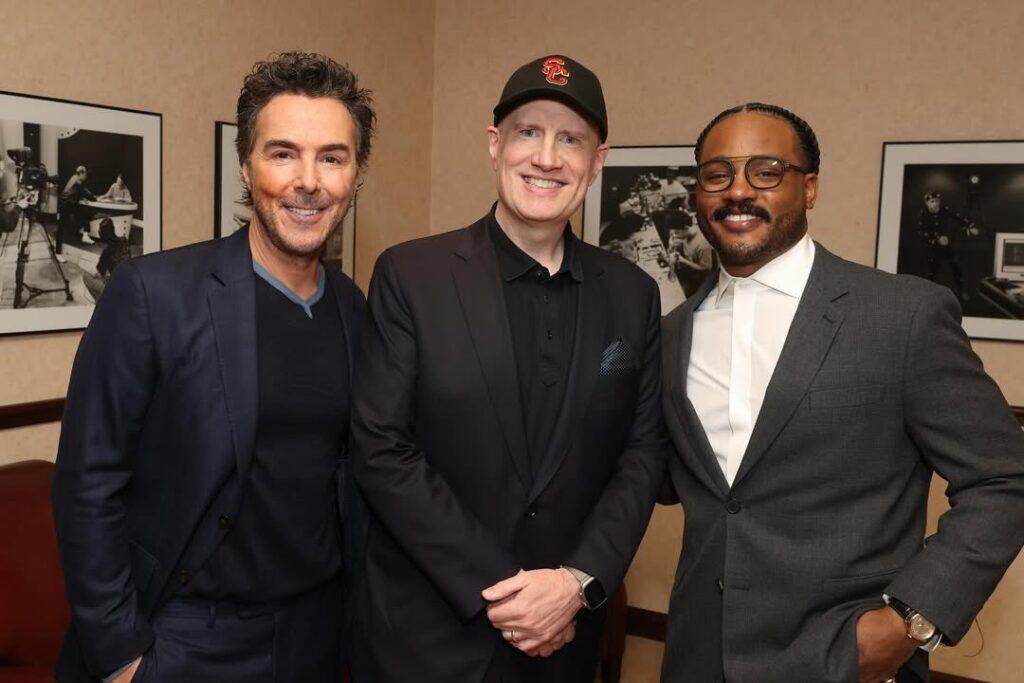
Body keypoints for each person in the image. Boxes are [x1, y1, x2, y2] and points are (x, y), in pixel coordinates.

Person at [659, 102, 1024, 683]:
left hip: (845, 656)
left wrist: (911, 621)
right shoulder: (672, 333)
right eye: (717, 174)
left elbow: (1005, 480)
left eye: (766, 172)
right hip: (698, 655)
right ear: (697, 193)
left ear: (809, 188)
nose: (738, 191)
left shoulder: (901, 316)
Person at [52, 51, 374, 683]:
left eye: (332, 157)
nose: (308, 180)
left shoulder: (352, 308)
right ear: (247, 167)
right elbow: (87, 483)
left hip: (317, 633)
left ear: (355, 175)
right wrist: (123, 657)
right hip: (184, 638)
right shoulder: (154, 293)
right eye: (283, 153)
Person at [350, 54, 667, 683]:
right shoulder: (412, 276)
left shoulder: (633, 293)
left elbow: (643, 451)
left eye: (570, 139)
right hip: (429, 637)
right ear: (495, 146)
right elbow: (381, 448)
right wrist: (511, 594)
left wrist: (574, 584)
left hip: (565, 640)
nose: (547, 157)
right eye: (528, 132)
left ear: (597, 160)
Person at [917, 191, 978, 301]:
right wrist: (936, 238)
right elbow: (921, 232)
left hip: (946, 245)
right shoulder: (924, 214)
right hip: (933, 247)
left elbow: (957, 217)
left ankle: (961, 291)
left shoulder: (944, 210)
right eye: (932, 201)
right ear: (927, 203)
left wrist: (969, 226)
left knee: (956, 267)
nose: (935, 204)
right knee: (933, 272)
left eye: (937, 201)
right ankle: (930, 295)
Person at [58, 165, 96, 246]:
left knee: (62, 225)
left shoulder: (73, 177)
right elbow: (84, 191)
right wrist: (95, 198)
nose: (86, 176)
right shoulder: (78, 181)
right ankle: (85, 235)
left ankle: (80, 232)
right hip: (68, 203)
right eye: (85, 174)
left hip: (63, 203)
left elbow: (74, 191)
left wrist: (80, 198)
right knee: (86, 212)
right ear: (81, 173)